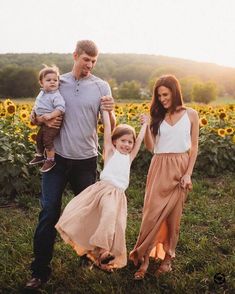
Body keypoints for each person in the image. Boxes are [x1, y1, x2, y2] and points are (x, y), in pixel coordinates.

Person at [25, 40, 116, 290]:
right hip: (57, 159)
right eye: (86, 59)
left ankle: (86, 257)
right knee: (49, 212)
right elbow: (35, 115)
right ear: (75, 56)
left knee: (88, 214)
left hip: (86, 160)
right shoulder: (56, 82)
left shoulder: (101, 86)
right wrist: (39, 118)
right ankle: (40, 271)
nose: (89, 65)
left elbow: (111, 125)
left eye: (94, 61)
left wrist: (112, 110)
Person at [55, 111, 148, 272]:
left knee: (117, 226)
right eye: (123, 141)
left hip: (119, 195)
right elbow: (107, 129)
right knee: (109, 215)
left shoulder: (129, 157)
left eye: (129, 142)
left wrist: (145, 124)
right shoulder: (111, 152)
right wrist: (105, 111)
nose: (127, 144)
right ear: (114, 141)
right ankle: (103, 251)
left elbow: (140, 140)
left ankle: (102, 261)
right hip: (105, 191)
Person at [129, 74, 199, 280]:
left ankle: (168, 259)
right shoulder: (157, 116)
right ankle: (145, 259)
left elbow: (194, 147)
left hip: (180, 167)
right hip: (159, 166)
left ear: (175, 92)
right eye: (159, 96)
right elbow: (151, 148)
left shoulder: (191, 114)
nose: (162, 99)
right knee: (151, 214)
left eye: (165, 94)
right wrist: (147, 125)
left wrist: (188, 174)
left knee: (173, 217)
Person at [29, 65, 65, 172]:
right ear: (41, 82)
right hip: (43, 122)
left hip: (53, 123)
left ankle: (50, 159)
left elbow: (61, 108)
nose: (53, 82)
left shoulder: (56, 95)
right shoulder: (42, 93)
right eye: (48, 80)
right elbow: (37, 104)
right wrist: (33, 112)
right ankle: (40, 155)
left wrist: (50, 115)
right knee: (38, 138)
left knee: (47, 140)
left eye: (55, 80)